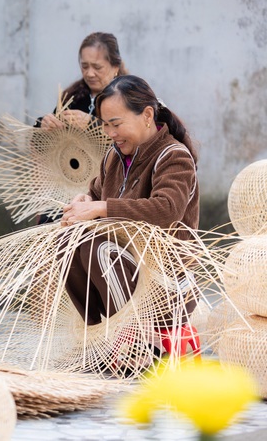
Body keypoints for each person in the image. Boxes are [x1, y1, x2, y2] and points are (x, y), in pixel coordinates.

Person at [60, 75, 199, 355]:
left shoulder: (174, 156)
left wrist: (100, 208)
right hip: (123, 272)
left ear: (147, 115)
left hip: (166, 283)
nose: (111, 133)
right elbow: (96, 196)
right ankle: (99, 338)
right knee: (68, 242)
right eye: (105, 125)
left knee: (97, 250)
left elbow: (166, 209)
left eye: (116, 124)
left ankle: (135, 341)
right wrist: (84, 202)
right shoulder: (113, 157)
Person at [35, 32, 127, 131]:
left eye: (97, 67)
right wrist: (44, 124)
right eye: (84, 66)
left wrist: (93, 124)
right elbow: (40, 141)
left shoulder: (127, 97)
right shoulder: (72, 97)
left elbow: (132, 137)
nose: (89, 74)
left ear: (115, 67)